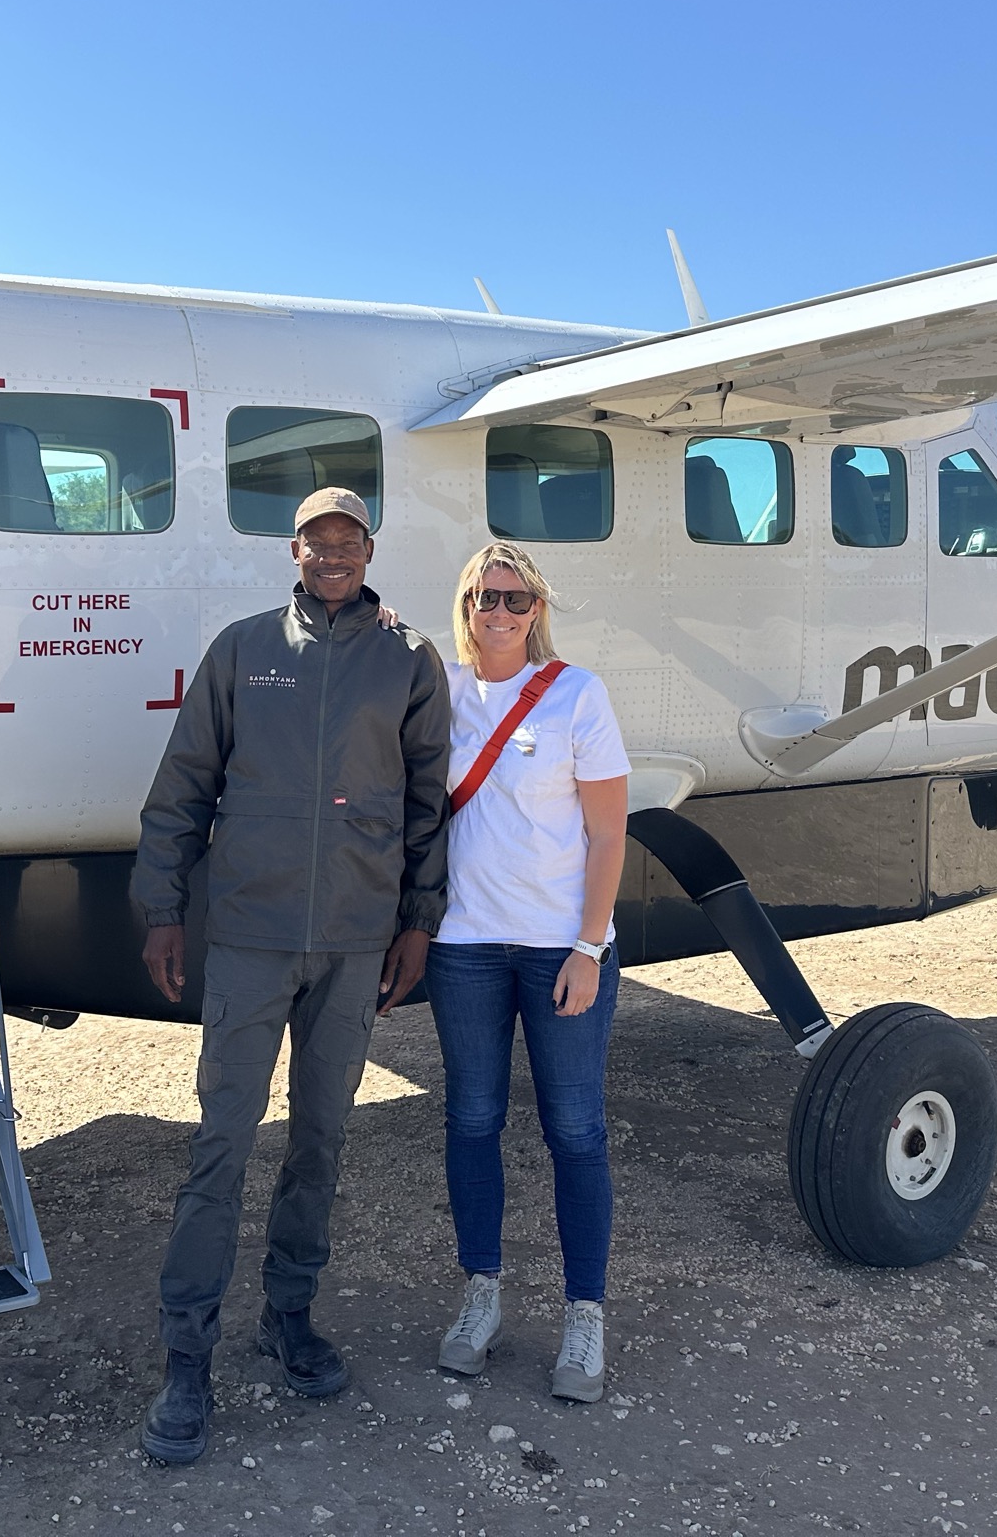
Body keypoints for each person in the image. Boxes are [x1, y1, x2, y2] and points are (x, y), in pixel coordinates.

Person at [131, 486, 451, 1465]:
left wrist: (417, 924)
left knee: (322, 1140)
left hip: (354, 945)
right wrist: (160, 907)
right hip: (253, 938)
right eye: (319, 541)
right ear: (295, 550)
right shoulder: (242, 651)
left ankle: (289, 1315)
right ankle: (188, 1356)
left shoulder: (407, 657)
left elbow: (427, 798)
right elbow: (184, 783)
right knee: (221, 1145)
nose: (335, 554)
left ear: (368, 548)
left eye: (350, 540)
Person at [426, 540, 630, 1403]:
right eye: (483, 597)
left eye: (514, 600)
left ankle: (585, 1313)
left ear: (536, 610)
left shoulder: (578, 694)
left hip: (558, 947)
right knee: (472, 1119)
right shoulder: (437, 694)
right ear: (464, 604)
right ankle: (483, 1295)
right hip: (465, 944)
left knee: (574, 1130)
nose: (498, 613)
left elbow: (611, 833)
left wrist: (589, 946)